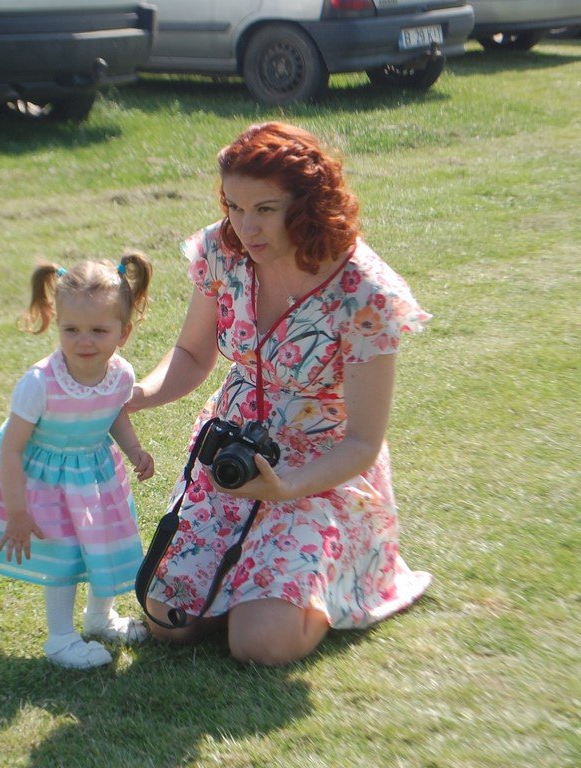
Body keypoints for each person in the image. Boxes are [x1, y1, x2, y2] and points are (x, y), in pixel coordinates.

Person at [129, 122, 432, 667]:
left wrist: (286, 488)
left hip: (321, 472)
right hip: (232, 455)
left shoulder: (364, 291)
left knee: (260, 644)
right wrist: (135, 394)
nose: (246, 227)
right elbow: (193, 354)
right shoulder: (222, 250)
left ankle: (337, 578)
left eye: (265, 209)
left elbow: (363, 442)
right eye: (234, 206)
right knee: (167, 621)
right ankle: (255, 586)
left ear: (308, 206)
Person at [0, 253, 156, 669]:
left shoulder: (121, 374)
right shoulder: (39, 383)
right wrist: (17, 512)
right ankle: (61, 639)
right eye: (72, 329)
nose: (84, 341)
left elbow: (113, 412)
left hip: (94, 476)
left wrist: (134, 450)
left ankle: (100, 618)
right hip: (45, 483)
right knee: (65, 559)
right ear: (57, 324)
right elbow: (11, 449)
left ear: (123, 333)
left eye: (98, 330)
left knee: (105, 544)